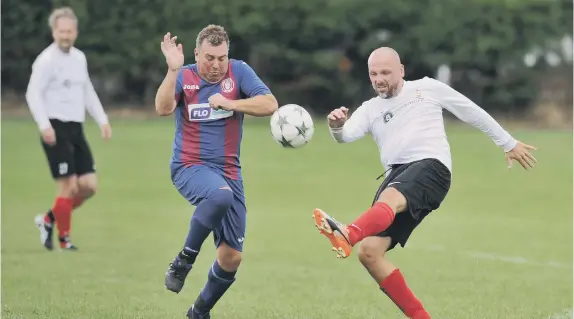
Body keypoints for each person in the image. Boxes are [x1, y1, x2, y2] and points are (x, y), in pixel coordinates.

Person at [312, 47, 537, 319]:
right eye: (374, 74)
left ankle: (348, 233)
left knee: (389, 201)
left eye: (385, 72)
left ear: (402, 70)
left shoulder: (427, 88)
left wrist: (507, 142)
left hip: (431, 167)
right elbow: (345, 136)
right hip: (396, 175)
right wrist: (336, 126)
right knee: (370, 253)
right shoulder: (370, 109)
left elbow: (470, 111)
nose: (379, 79)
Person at [154, 25, 278, 319]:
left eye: (222, 57)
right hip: (189, 166)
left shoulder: (239, 72)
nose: (216, 65)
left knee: (231, 257)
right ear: (196, 54)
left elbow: (270, 104)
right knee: (219, 196)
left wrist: (232, 103)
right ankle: (184, 260)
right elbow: (162, 108)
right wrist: (172, 71)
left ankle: (198, 312)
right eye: (209, 57)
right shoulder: (184, 76)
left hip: (229, 172)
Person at [27, 7, 112, 251]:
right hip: (55, 128)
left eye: (70, 31)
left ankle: (48, 220)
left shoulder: (79, 58)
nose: (66, 35)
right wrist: (44, 125)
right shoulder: (45, 61)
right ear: (54, 32)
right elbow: (32, 94)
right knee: (68, 186)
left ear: (75, 32)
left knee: (89, 187)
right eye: (61, 31)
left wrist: (102, 120)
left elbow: (87, 92)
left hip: (76, 129)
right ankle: (64, 241)